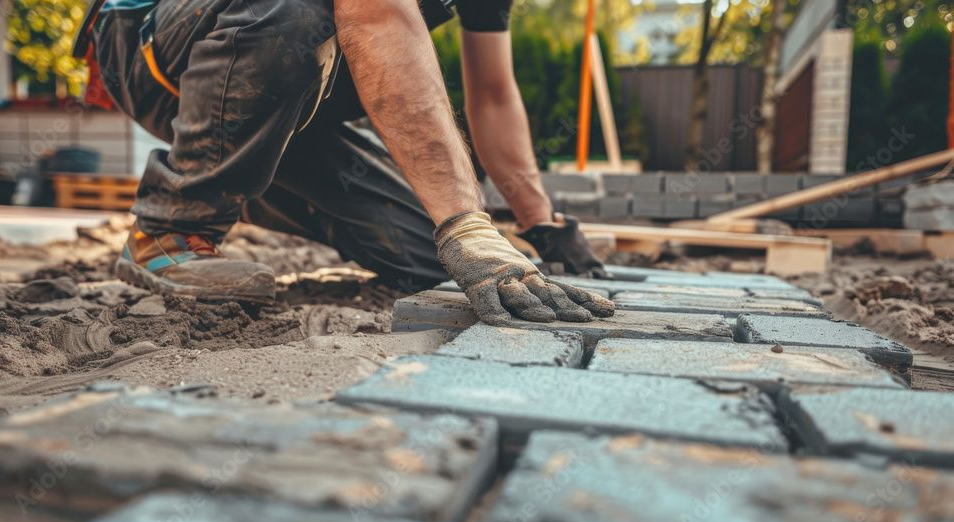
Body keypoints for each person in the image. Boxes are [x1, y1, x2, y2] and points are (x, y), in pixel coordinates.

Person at [73, 0, 615, 325]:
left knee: (434, 264)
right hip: (150, 37)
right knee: (296, 13)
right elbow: (375, 16)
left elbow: (494, 98)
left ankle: (244, 160)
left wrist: (540, 226)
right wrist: (466, 223)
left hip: (270, 78)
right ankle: (168, 233)